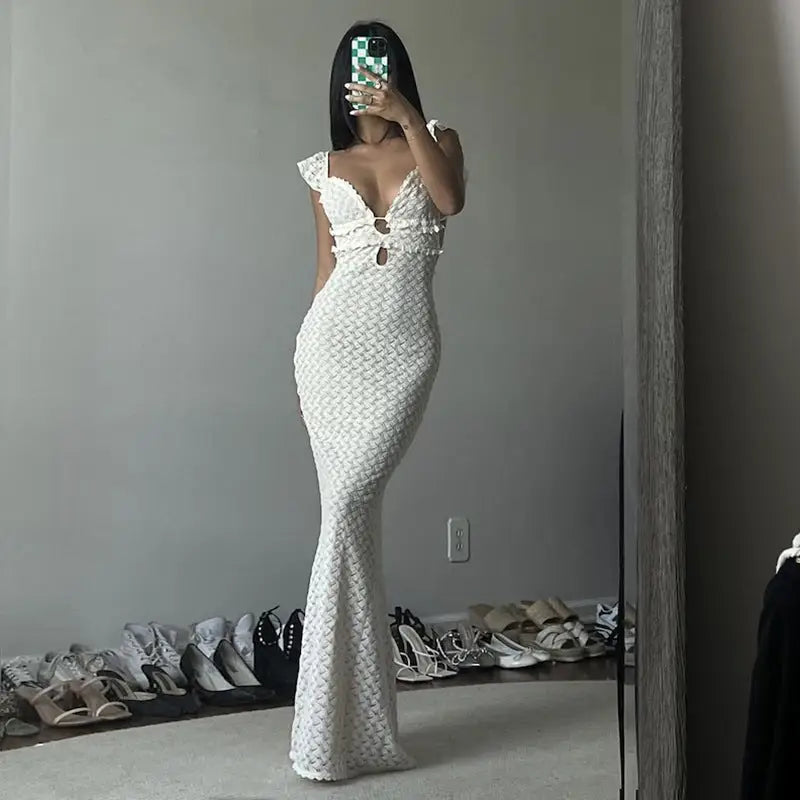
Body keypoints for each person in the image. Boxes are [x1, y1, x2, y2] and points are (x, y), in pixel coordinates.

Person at [289, 19, 465, 782]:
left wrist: (405, 117)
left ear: (398, 71)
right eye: (361, 66)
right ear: (342, 78)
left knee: (349, 510)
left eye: (383, 62)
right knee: (347, 521)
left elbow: (449, 200)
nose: (371, 74)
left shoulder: (438, 139)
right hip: (329, 350)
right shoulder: (324, 168)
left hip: (403, 352)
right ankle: (349, 731)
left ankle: (329, 731)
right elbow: (325, 275)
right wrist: (299, 364)